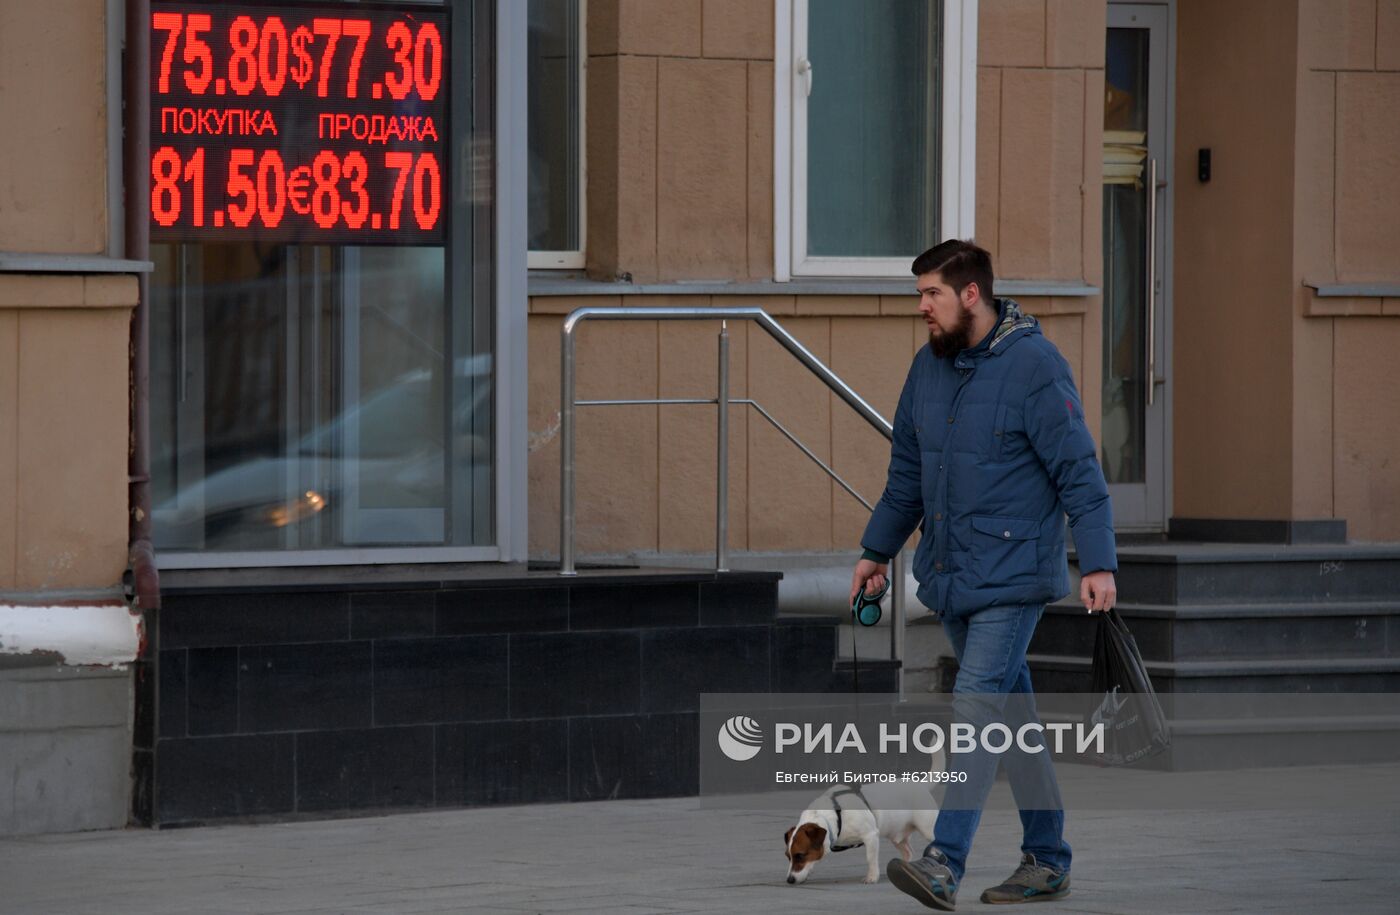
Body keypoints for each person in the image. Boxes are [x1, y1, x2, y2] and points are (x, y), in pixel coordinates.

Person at [850, 239, 1117, 910]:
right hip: (952, 573)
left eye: (932, 294)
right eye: (919, 294)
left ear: (971, 294)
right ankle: (1047, 857)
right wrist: (876, 551)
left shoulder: (1035, 366)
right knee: (1012, 719)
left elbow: (1078, 471)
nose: (922, 307)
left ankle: (944, 861)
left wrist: (1098, 562)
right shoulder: (928, 368)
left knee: (974, 711)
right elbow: (906, 476)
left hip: (1014, 575)